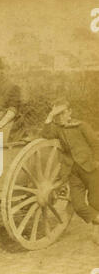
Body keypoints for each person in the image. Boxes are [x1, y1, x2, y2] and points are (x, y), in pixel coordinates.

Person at [41, 98, 99, 242]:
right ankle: (98, 221)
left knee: (95, 201)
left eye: (63, 113)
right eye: (57, 114)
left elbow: (95, 144)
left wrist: (97, 162)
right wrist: (49, 116)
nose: (60, 117)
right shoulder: (57, 129)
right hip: (73, 173)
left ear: (69, 112)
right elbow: (45, 134)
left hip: (91, 169)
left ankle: (97, 232)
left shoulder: (81, 126)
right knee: (78, 205)